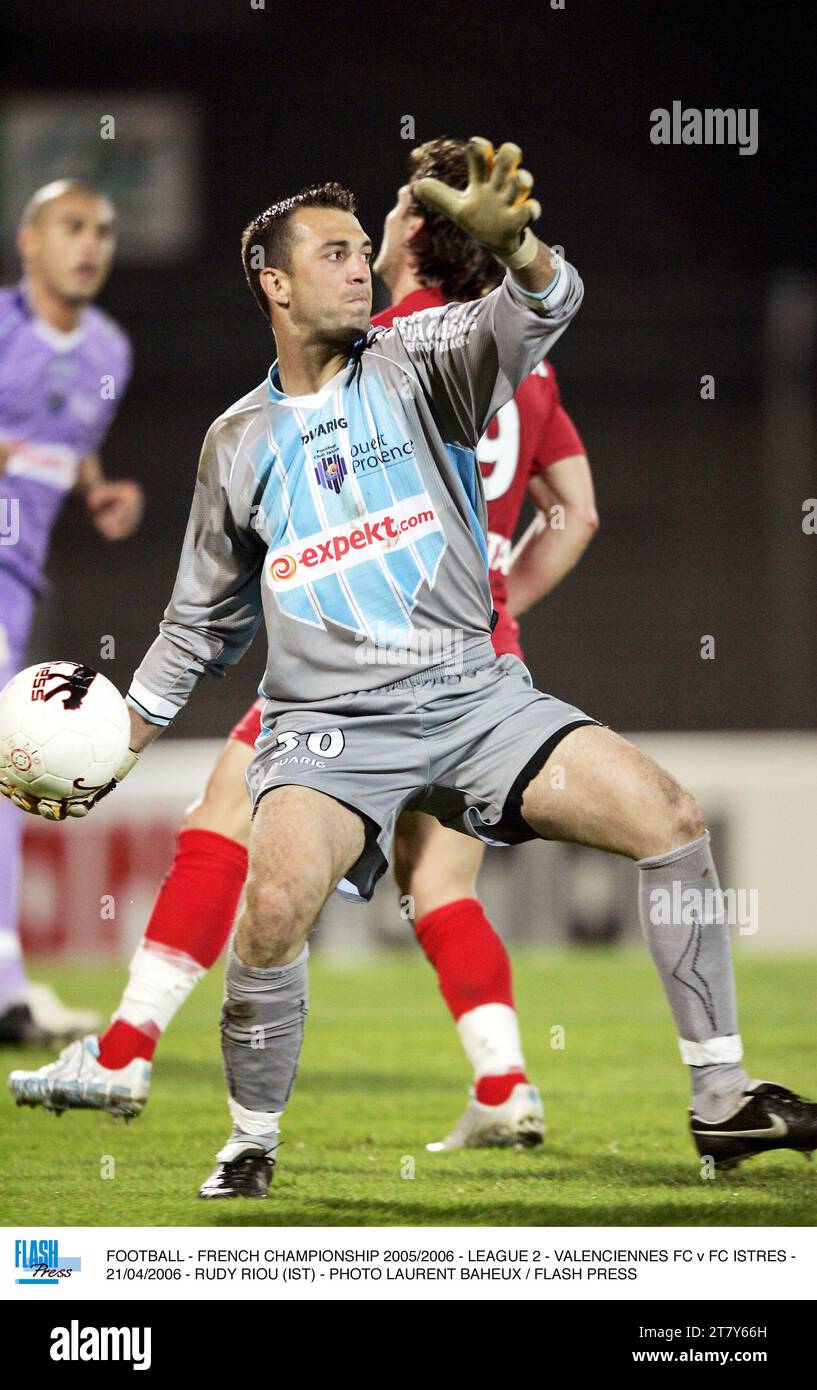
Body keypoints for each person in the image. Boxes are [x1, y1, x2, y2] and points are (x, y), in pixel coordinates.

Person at [11, 139, 817, 1200]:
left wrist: (517, 245)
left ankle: (720, 1101)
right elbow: (198, 623)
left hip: (476, 695)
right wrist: (115, 747)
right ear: (275, 281)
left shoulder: (426, 353)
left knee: (667, 815)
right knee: (275, 904)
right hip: (331, 725)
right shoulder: (235, 443)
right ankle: (250, 1140)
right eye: (333, 252)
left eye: (363, 247)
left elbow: (548, 306)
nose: (357, 266)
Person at [8, 139, 597, 1151]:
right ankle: (504, 1080)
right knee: (439, 884)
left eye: (375, 230)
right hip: (476, 646)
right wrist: (503, 607)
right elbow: (576, 512)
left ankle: (124, 1054)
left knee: (224, 820)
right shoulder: (516, 365)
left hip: (359, 647)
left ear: (413, 233)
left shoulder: (390, 350)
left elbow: (260, 557)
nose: (358, 253)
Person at [0, 180, 143, 1044]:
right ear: (29, 241)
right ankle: (9, 986)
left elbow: (72, 446)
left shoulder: (108, 352)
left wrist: (100, 494)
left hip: (18, 585)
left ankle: (8, 981)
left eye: (103, 230)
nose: (90, 243)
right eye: (72, 227)